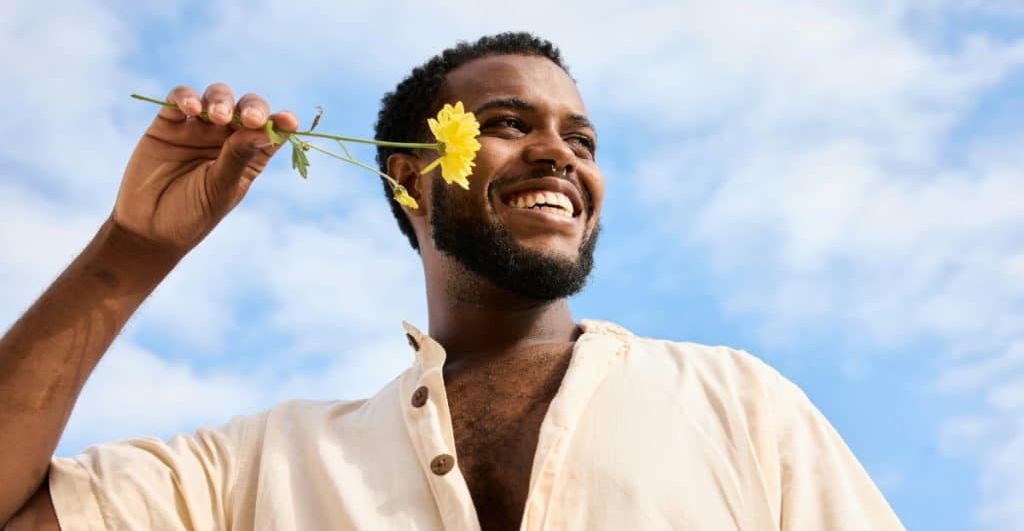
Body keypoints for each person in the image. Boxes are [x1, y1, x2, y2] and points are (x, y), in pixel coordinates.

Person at [0, 33, 903, 530]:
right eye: (507, 123)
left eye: (582, 141)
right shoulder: (260, 469)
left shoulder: (740, 404)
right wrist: (129, 250)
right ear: (408, 175)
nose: (559, 153)